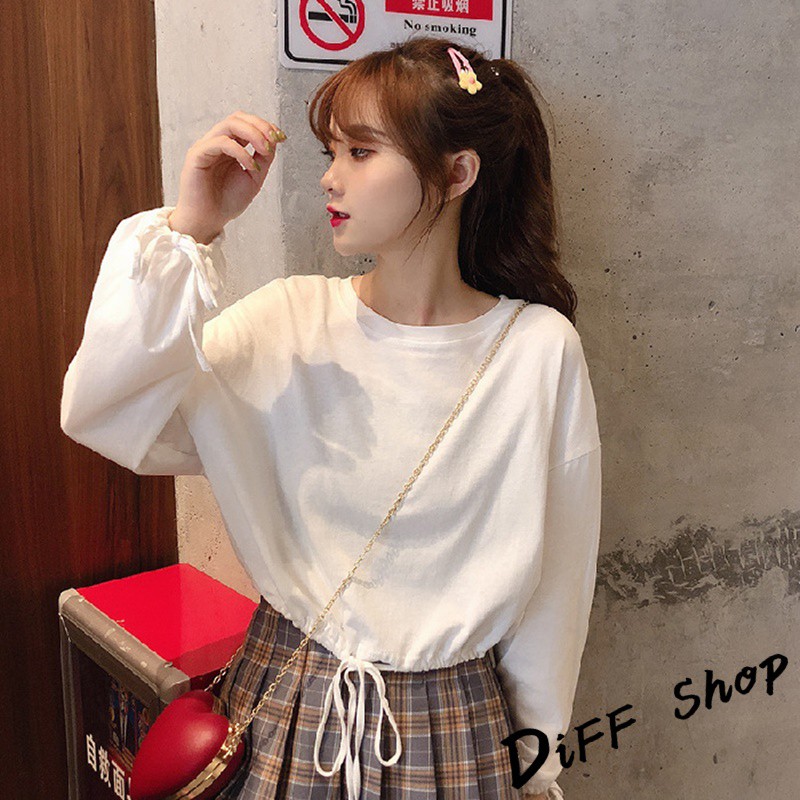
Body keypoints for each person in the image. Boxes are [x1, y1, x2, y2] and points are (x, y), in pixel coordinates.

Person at [61, 35, 601, 800]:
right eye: (331, 151)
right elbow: (108, 413)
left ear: (457, 173)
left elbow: (556, 592)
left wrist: (535, 767)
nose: (330, 176)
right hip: (287, 706)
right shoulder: (290, 322)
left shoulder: (537, 351)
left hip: (457, 733)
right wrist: (191, 230)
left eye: (361, 151)